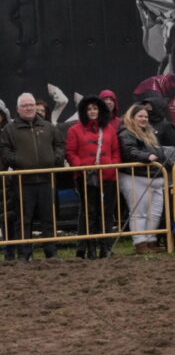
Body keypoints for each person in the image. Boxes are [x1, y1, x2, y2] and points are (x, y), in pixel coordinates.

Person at [0, 93, 65, 261]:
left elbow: (60, 145)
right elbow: (5, 151)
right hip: (22, 182)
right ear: (18, 109)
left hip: (46, 180)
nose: (29, 108)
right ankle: (24, 255)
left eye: (31, 105)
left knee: (48, 219)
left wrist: (54, 159)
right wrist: (19, 161)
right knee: (23, 220)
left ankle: (51, 253)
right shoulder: (9, 130)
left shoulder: (48, 127)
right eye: (25, 105)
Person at [65, 95, 122, 259]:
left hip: (108, 176)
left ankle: (105, 247)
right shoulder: (74, 130)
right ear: (84, 111)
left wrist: (112, 165)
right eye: (89, 109)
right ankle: (90, 248)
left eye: (95, 108)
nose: (92, 111)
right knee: (89, 213)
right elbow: (71, 153)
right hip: (86, 177)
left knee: (106, 213)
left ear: (100, 110)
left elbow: (116, 151)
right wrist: (81, 167)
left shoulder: (109, 130)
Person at [118, 103, 175, 254]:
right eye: (140, 116)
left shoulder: (150, 133)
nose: (144, 119)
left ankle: (151, 240)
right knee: (139, 212)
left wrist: (168, 163)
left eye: (145, 116)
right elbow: (129, 151)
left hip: (155, 177)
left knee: (155, 213)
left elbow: (159, 153)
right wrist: (146, 156)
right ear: (132, 117)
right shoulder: (126, 133)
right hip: (135, 176)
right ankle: (140, 243)